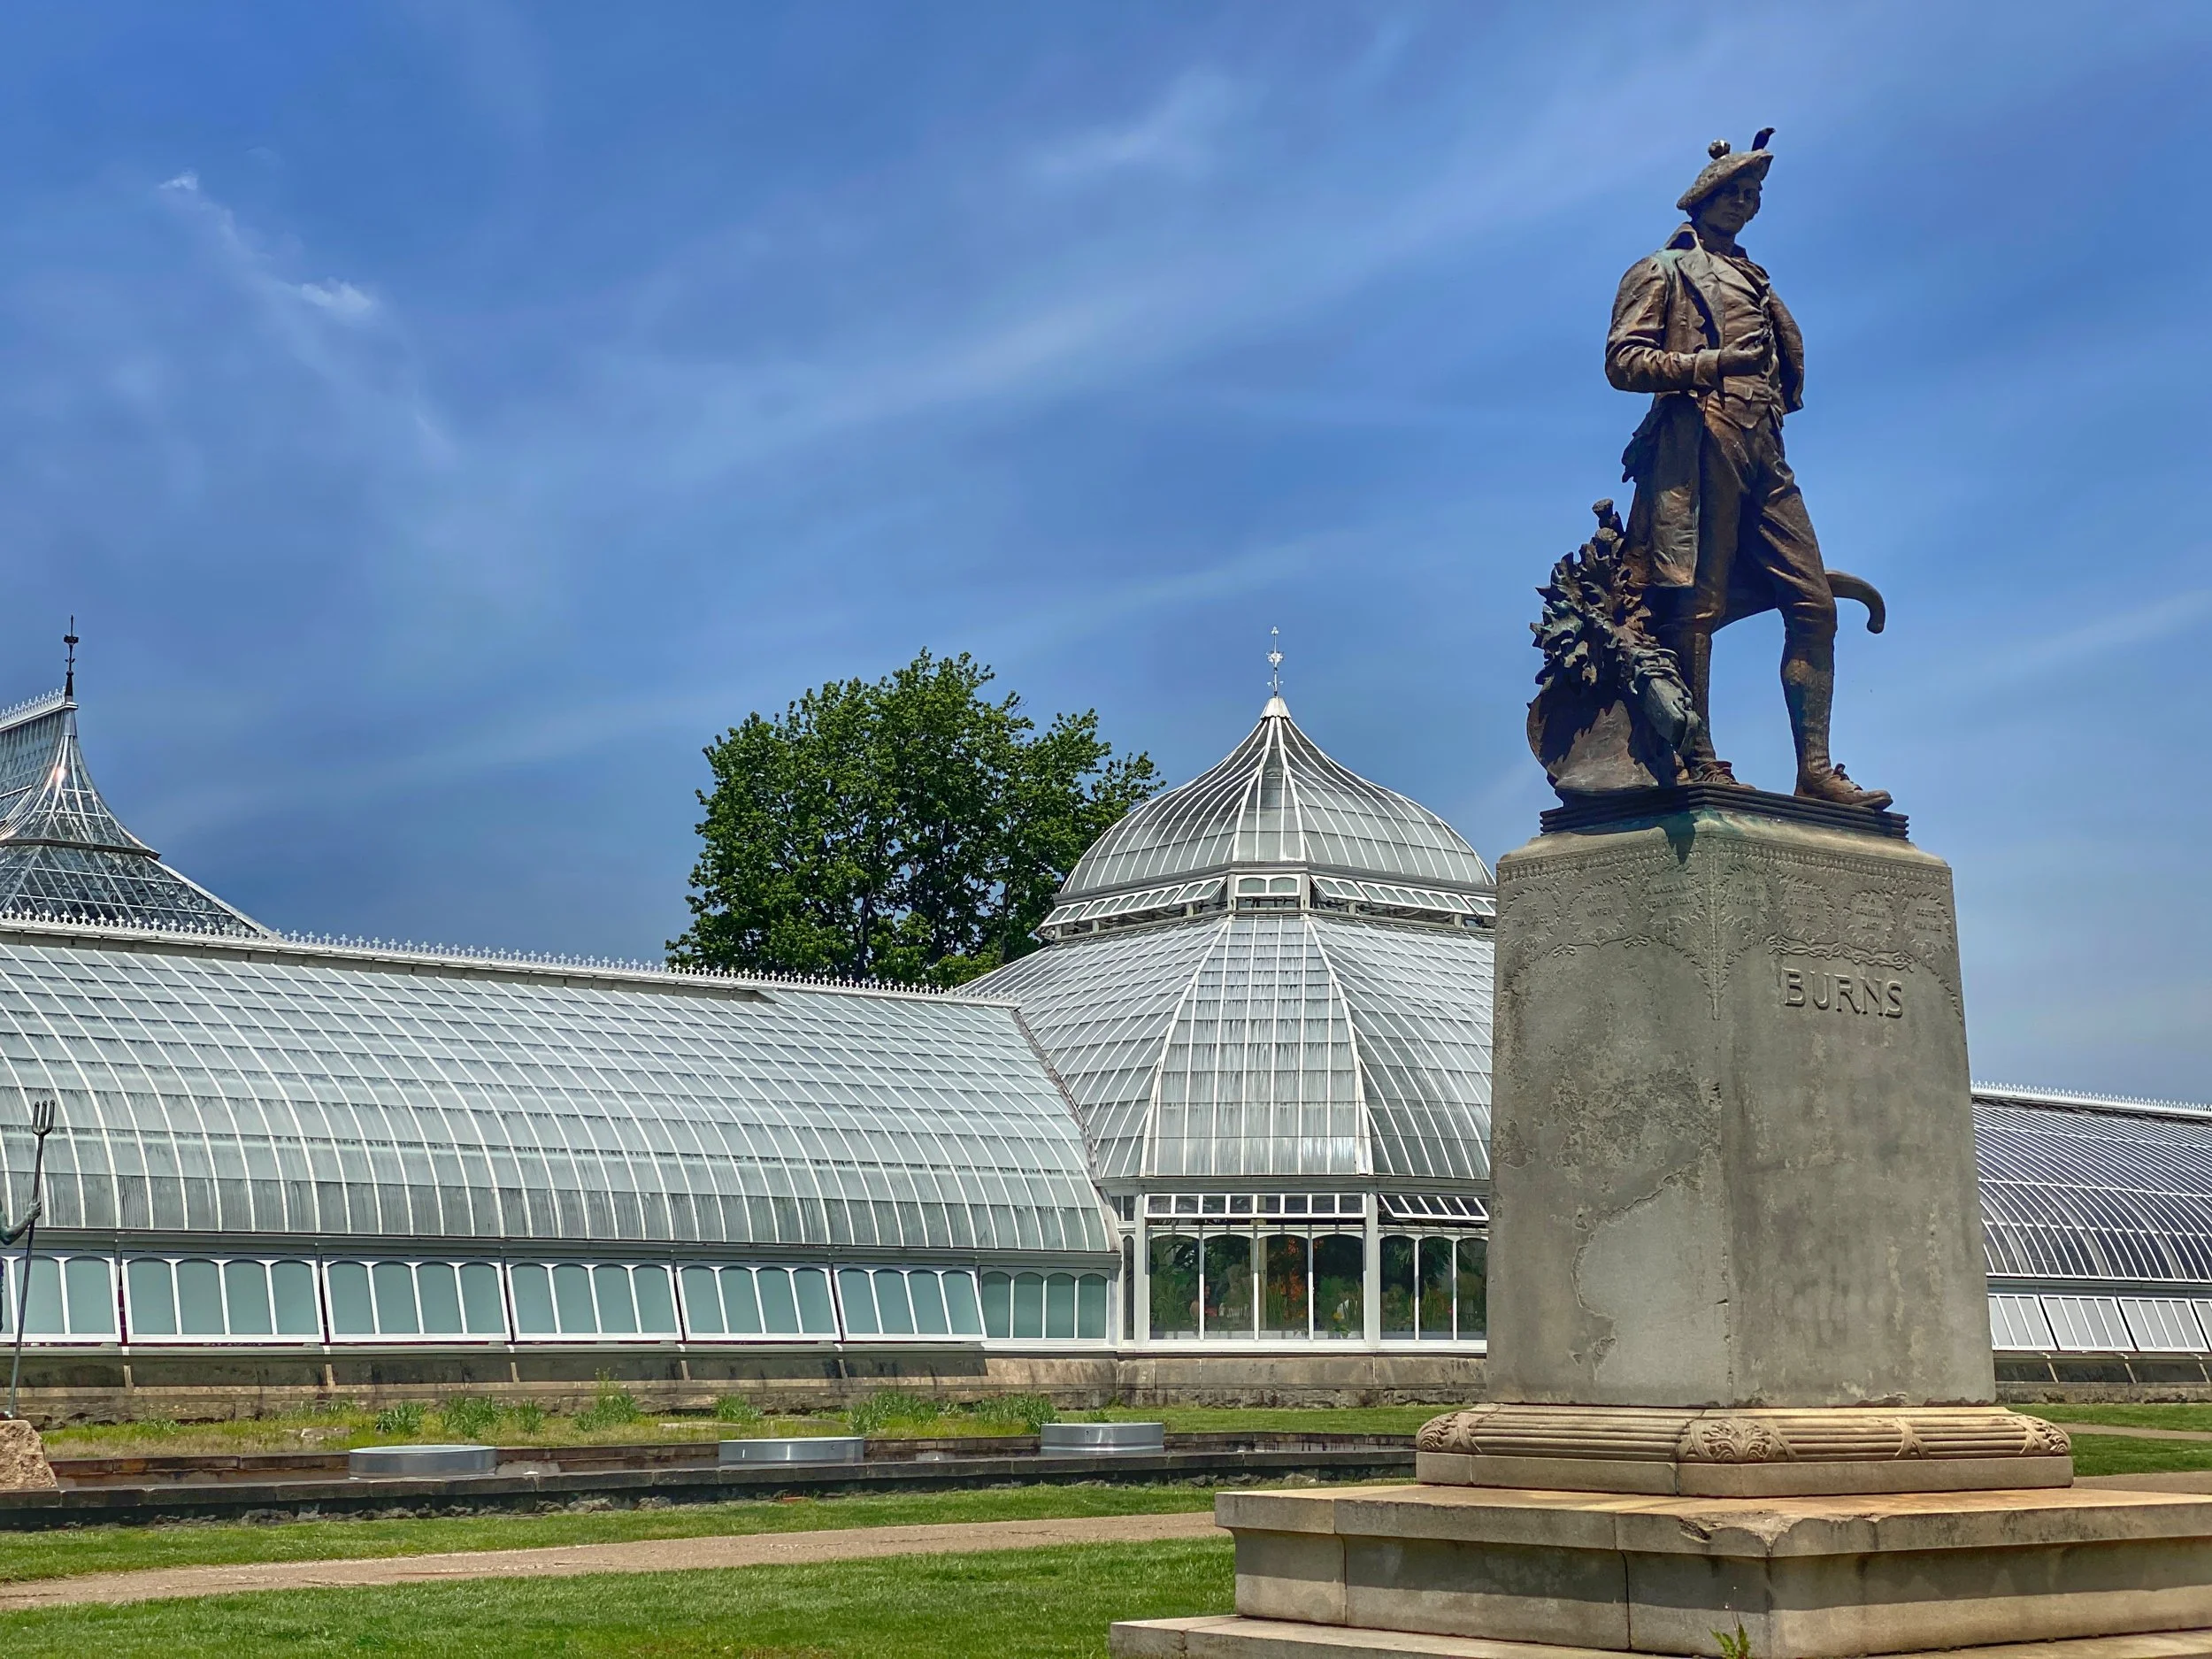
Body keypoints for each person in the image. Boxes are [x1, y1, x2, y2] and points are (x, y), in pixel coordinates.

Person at [1606, 132, 1890, 809]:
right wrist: (1709, 366)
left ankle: (1814, 770)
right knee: (1694, 607)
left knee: (1814, 604)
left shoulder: (1758, 279)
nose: (1746, 203)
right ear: (1704, 198)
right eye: (1735, 192)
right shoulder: (1662, 270)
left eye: (1755, 195)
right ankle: (1696, 755)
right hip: (1697, 445)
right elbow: (1623, 360)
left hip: (1764, 444)